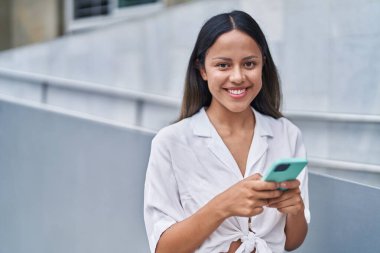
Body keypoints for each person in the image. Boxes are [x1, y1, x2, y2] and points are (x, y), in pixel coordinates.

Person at [144, 10, 310, 253]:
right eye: (223, 65)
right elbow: (163, 249)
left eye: (249, 64)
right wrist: (223, 205)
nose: (237, 77)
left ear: (263, 64)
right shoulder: (170, 142)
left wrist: (294, 209)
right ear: (202, 70)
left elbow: (292, 242)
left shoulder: (287, 134)